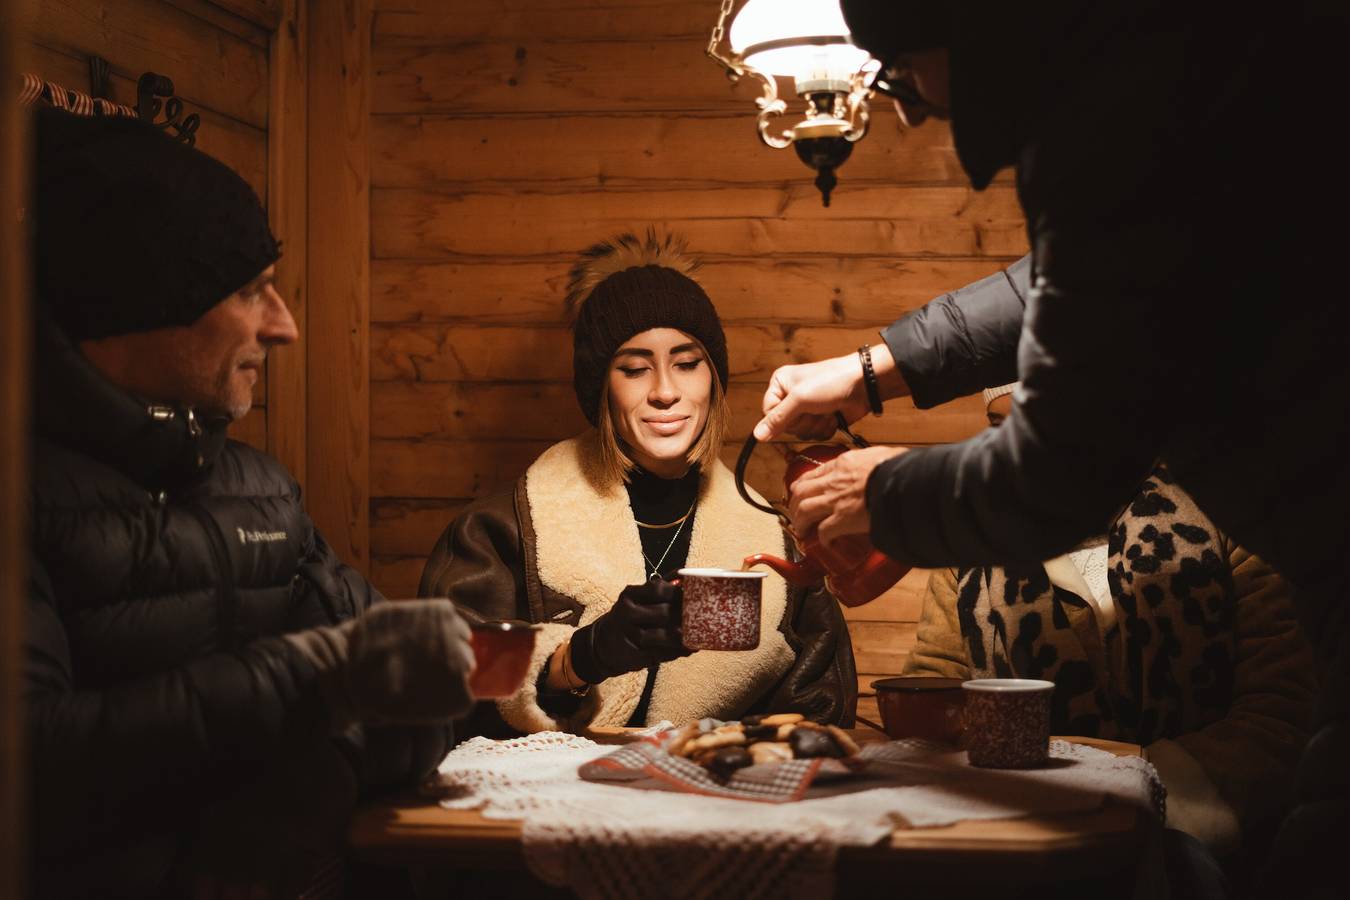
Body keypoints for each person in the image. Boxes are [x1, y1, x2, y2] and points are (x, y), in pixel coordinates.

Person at [752, 4, 1349, 893]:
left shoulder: (1122, 104)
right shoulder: (1162, 70)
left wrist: (881, 493)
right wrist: (876, 371)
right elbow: (1079, 276)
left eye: (900, 63)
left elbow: (1060, 470)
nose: (907, 106)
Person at [24, 107, 476, 899]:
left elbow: (418, 710)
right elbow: (30, 771)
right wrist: (312, 685)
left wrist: (296, 792)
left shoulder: (260, 489)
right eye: (249, 290)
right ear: (142, 300)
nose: (286, 326)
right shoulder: (22, 496)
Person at [420, 230, 856, 737]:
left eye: (688, 364)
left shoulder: (778, 549)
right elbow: (444, 698)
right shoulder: (500, 532)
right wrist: (580, 658)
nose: (666, 391)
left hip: (719, 805)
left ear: (714, 378)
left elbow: (822, 716)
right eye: (634, 369)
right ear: (600, 387)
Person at [906, 384, 1316, 860]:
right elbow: (932, 696)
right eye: (1003, 430)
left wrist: (1126, 787)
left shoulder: (1229, 521)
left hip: (1193, 839)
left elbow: (1283, 712)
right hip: (1016, 835)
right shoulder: (968, 550)